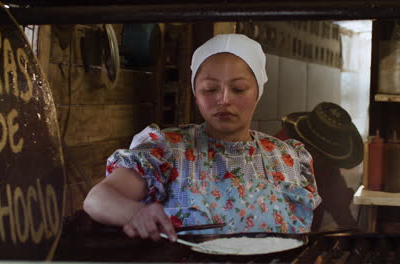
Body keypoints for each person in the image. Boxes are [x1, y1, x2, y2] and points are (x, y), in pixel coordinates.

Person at [83, 34, 321, 242]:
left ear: (258, 92)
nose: (224, 99)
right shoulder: (168, 150)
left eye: (238, 89)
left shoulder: (288, 158)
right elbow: (98, 199)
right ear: (195, 93)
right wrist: (135, 213)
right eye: (210, 89)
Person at [274, 102, 363, 231]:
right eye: (320, 155)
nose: (322, 160)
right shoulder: (275, 153)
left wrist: (351, 230)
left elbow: (336, 201)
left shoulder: (325, 163)